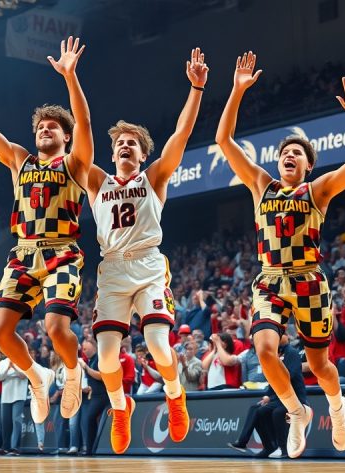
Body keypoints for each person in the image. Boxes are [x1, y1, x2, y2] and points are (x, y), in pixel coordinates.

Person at [215, 51, 345, 458]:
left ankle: (338, 408)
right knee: (264, 351)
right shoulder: (261, 184)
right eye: (284, 153)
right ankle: (296, 411)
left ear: (308, 166)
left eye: (297, 153)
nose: (288, 156)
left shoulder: (317, 190)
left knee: (321, 366)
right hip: (270, 279)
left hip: (308, 280)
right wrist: (237, 91)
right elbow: (224, 141)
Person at [0, 37, 94, 424]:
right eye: (41, 126)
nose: (46, 130)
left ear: (65, 136)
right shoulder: (19, 160)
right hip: (24, 254)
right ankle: (37, 377)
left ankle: (72, 372)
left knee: (56, 327)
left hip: (62, 252)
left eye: (53, 127)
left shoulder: (75, 164)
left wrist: (71, 77)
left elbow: (85, 123)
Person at [89, 46, 206, 451]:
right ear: (112, 153)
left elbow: (181, 135)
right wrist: (70, 78)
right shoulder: (97, 181)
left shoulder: (153, 178)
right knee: (106, 357)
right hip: (112, 269)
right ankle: (121, 407)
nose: (125, 146)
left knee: (157, 344)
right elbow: (78, 142)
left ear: (143, 154)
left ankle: (175, 394)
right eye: (120, 142)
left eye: (132, 143)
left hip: (148, 265)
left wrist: (196, 89)